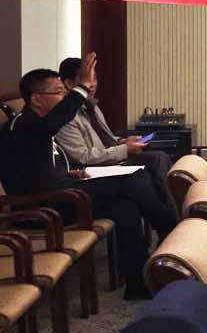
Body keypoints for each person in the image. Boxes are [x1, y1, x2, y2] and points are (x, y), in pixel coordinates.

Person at [1, 55, 168, 298]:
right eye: (59, 93)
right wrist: (81, 88)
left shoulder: (35, 124)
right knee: (133, 179)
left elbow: (37, 169)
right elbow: (51, 129)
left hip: (62, 194)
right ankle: (169, 227)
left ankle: (137, 284)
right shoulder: (24, 125)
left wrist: (69, 172)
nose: (64, 98)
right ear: (36, 99)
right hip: (44, 207)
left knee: (126, 207)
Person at [54, 56, 174, 210]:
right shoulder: (64, 115)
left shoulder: (91, 106)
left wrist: (123, 141)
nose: (92, 85)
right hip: (94, 168)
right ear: (69, 83)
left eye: (94, 78)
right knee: (156, 159)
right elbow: (82, 156)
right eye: (87, 80)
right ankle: (171, 213)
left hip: (111, 160)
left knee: (158, 158)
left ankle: (171, 209)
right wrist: (125, 149)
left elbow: (105, 138)